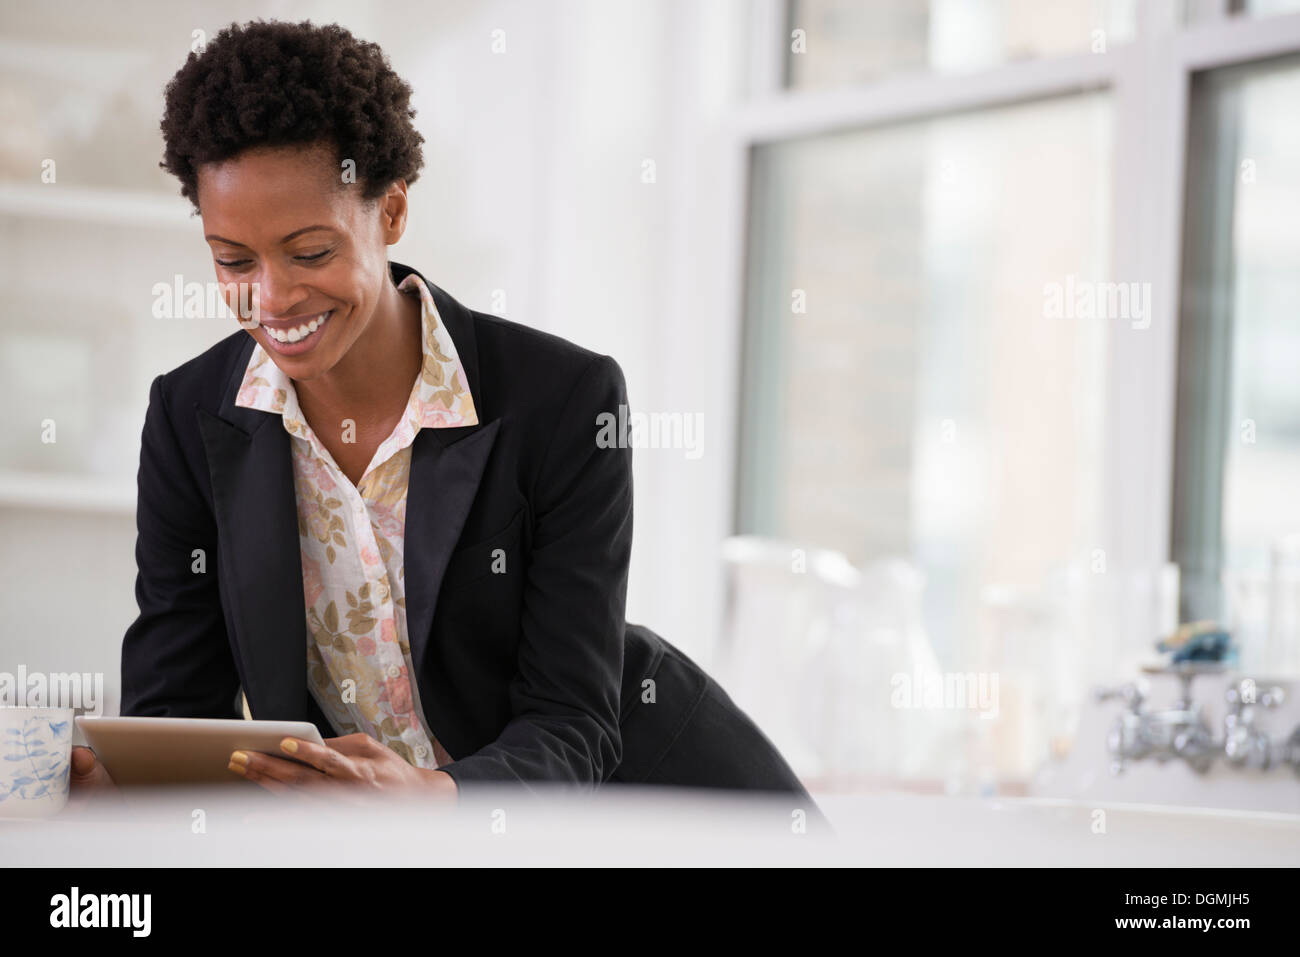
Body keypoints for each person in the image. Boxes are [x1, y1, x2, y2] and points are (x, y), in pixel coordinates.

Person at [72, 19, 819, 823]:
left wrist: (432, 793)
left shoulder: (565, 400)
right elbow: (178, 706)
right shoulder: (190, 418)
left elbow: (572, 721)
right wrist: (131, 789)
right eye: (234, 260)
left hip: (651, 807)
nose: (273, 297)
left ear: (390, 210)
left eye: (312, 252)